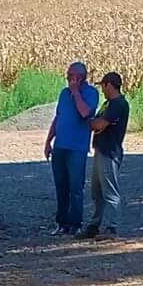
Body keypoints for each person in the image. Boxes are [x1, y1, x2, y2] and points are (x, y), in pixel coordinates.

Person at [44, 61, 98, 233]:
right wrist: (48, 141)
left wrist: (76, 93)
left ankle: (75, 224)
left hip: (77, 148)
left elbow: (85, 113)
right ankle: (61, 223)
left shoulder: (91, 93)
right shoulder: (63, 93)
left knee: (75, 187)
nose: (68, 80)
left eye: (70, 76)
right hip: (60, 146)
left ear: (80, 78)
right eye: (67, 76)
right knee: (61, 186)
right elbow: (58, 117)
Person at [84, 72, 131, 237]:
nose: (102, 89)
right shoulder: (108, 104)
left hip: (109, 151)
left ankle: (112, 226)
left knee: (110, 191)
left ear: (109, 85)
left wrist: (93, 124)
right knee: (96, 192)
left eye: (103, 85)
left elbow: (99, 123)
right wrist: (96, 124)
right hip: (100, 149)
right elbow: (98, 124)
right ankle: (94, 225)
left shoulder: (118, 105)